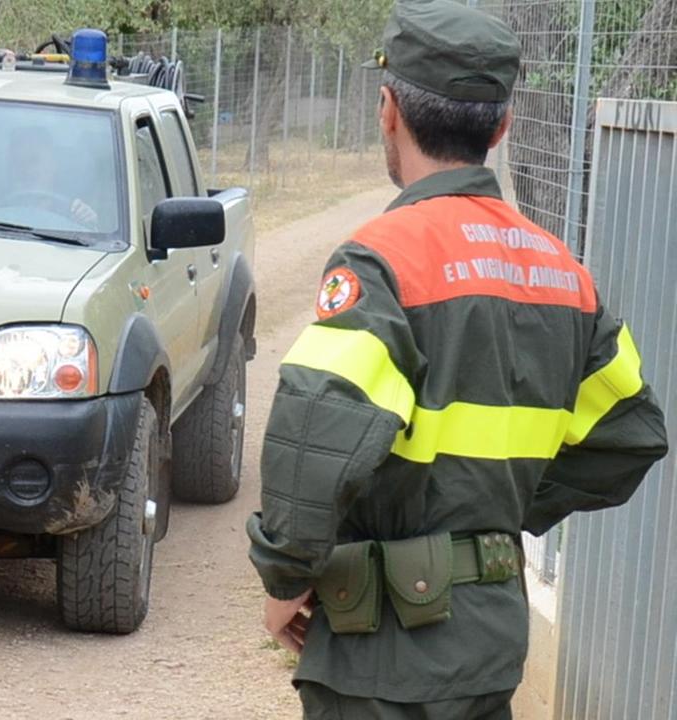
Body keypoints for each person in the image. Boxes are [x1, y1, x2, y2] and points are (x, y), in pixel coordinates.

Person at [245, 1, 669, 718]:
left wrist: (286, 576)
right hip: (488, 641)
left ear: (388, 110)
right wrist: (494, 511)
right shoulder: (567, 275)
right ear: (502, 126)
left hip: (381, 650)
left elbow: (313, 434)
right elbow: (631, 434)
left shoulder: (382, 259)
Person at [2, 127, 99, 229]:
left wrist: (87, 222)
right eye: (18, 162)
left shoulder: (74, 213)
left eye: (33, 160)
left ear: (53, 165)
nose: (25, 169)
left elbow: (92, 242)